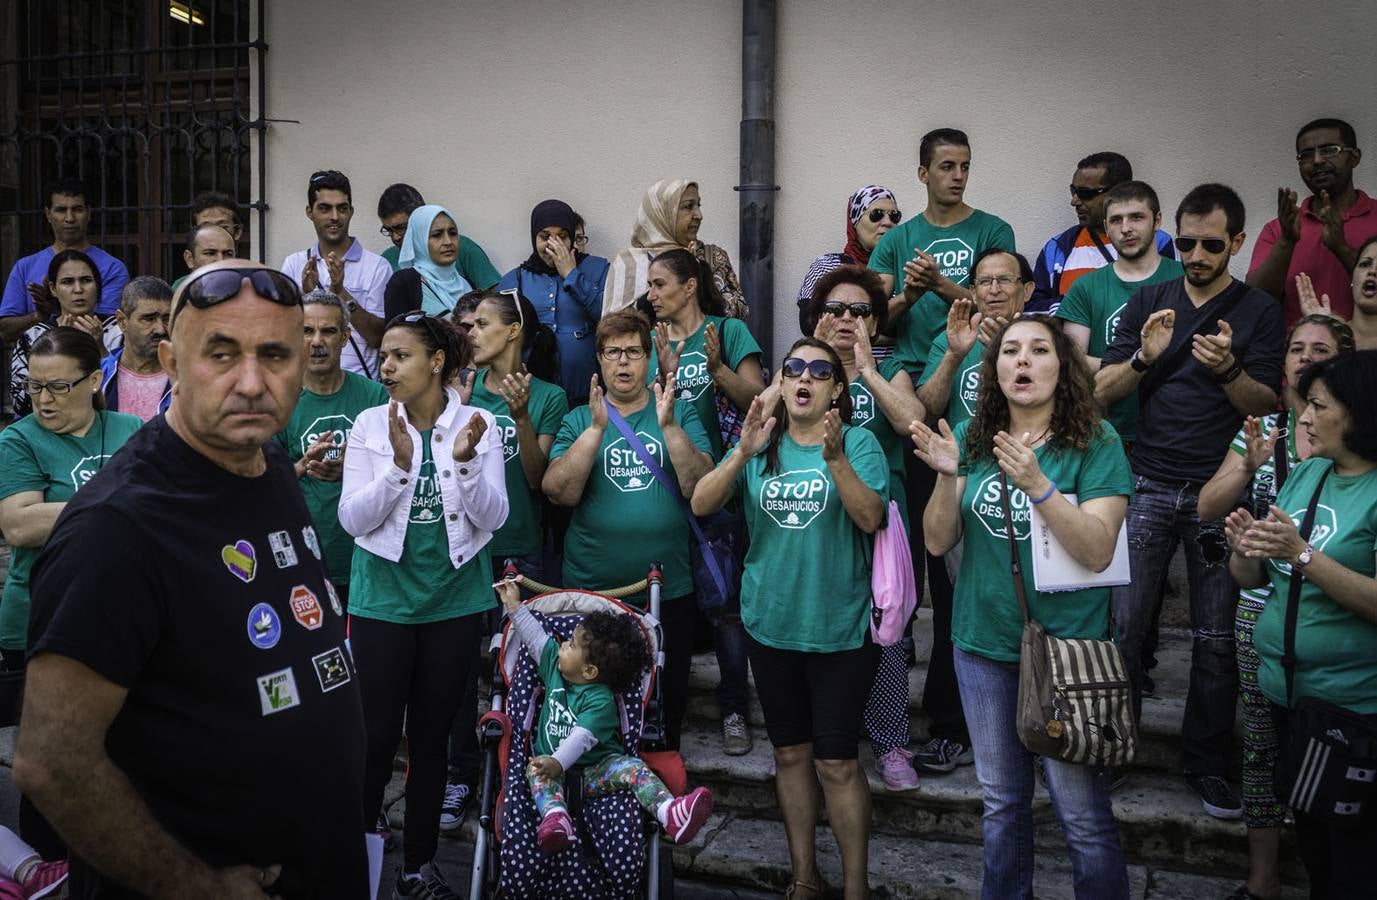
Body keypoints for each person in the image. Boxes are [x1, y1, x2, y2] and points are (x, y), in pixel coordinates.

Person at [14, 259, 370, 898]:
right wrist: (196, 886)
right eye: (222, 354)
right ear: (172, 363)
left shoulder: (271, 464)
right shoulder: (115, 527)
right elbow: (53, 764)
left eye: (275, 354)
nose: (253, 382)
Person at [912, 315, 1132, 899]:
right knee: (1003, 806)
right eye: (1010, 351)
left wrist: (1038, 484)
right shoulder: (974, 434)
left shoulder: (1096, 442)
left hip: (1068, 656)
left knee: (1081, 818)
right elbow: (937, 541)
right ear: (996, 369)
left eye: (1038, 350)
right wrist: (943, 476)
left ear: (1062, 367)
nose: (1023, 361)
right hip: (982, 647)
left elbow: (1096, 548)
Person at [1095, 183, 1286, 819]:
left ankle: (1206, 764)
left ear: (1236, 242)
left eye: (1212, 243)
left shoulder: (1258, 310)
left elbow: (1268, 405)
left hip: (1223, 492)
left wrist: (1230, 370)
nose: (1197, 254)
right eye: (1186, 241)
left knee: (1216, 638)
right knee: (1124, 631)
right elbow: (1099, 391)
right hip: (1146, 481)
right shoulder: (1149, 298)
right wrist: (1146, 359)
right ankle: (1114, 752)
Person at [691, 338, 886, 900]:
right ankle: (804, 877)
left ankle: (855, 888)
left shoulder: (859, 443)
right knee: (790, 754)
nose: (804, 377)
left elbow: (871, 517)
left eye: (819, 370)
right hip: (768, 625)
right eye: (793, 368)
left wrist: (836, 462)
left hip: (840, 629)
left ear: (836, 389)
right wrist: (741, 452)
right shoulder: (762, 445)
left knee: (838, 764)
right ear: (781, 384)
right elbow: (702, 504)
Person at [339, 311, 507, 899]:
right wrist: (401, 468)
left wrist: (461, 462)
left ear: (437, 362)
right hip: (382, 601)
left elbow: (493, 518)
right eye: (382, 355)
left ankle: (418, 867)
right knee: (375, 736)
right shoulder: (367, 424)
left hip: (453, 603)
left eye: (399, 355)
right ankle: (358, 858)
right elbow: (352, 520)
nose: (385, 366)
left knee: (432, 739)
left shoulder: (481, 423)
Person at [1197, 314, 1353, 900]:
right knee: (1263, 744)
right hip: (1261, 609)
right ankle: (1262, 879)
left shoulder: (1357, 449)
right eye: (1296, 348)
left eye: (1321, 349)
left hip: (1335, 625)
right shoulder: (1263, 430)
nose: (1305, 358)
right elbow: (1209, 510)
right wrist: (1249, 465)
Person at [1226, 350, 1377, 898]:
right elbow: (1251, 576)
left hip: (1352, 709)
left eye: (1317, 406)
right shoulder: (1309, 473)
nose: (1304, 418)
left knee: (1353, 860)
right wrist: (1243, 548)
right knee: (1315, 846)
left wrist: (1303, 554)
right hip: (1289, 697)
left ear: (1360, 414)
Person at [543, 311, 713, 751]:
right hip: (594, 590)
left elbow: (700, 486)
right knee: (590, 705)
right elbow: (559, 491)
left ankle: (657, 796)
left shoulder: (677, 410)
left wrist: (670, 426)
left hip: (668, 588)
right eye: (613, 352)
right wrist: (597, 429)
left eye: (633, 352)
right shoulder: (580, 419)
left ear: (648, 361)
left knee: (666, 704)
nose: (623, 363)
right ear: (599, 359)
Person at [440, 287, 566, 832]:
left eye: (482, 323)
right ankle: (461, 775)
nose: (470, 332)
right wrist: (457, 408)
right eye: (467, 325)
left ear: (514, 331)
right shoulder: (457, 393)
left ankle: (518, 776)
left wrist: (516, 418)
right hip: (466, 552)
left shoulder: (549, 397)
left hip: (522, 552)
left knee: (521, 676)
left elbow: (540, 482)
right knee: (459, 672)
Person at [806, 266, 925, 790]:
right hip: (812, 523)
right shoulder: (800, 369)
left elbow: (912, 421)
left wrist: (864, 371)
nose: (845, 319)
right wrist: (816, 358)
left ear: (875, 324)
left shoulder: (890, 367)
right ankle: (816, 740)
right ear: (817, 319)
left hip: (877, 525)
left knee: (887, 631)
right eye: (834, 309)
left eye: (858, 312)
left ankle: (891, 743)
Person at [646, 247, 765, 755]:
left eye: (659, 284)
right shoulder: (650, 342)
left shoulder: (728, 331)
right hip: (664, 490)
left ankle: (735, 709)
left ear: (689, 285)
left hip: (719, 490)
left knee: (725, 606)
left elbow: (757, 404)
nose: (650, 295)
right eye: (650, 286)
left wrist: (715, 368)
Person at [495, 580, 715, 853]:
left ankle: (670, 812)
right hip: (551, 770)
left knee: (633, 768)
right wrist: (514, 607)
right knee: (534, 771)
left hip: (596, 770)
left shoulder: (601, 701)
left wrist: (556, 761)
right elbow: (535, 637)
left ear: (589, 671)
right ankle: (555, 817)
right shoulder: (553, 666)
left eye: (571, 645)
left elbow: (581, 738)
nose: (562, 644)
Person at [0, 328, 142, 665]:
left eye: (59, 387)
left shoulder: (131, 428)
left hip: (119, 614)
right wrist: (121, 503)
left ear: (94, 381)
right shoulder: (19, 440)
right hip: (41, 619)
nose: (44, 399)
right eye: (34, 386)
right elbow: (20, 526)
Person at [867, 128, 1016, 380]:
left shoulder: (994, 230)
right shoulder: (895, 239)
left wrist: (938, 283)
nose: (958, 176)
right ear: (923, 174)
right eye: (947, 167)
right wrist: (909, 297)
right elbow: (870, 322)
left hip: (974, 368)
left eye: (965, 167)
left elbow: (999, 310)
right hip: (911, 371)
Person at [274, 288, 387, 612]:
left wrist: (353, 467)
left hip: (367, 559)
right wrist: (301, 466)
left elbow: (399, 471)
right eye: (307, 331)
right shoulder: (277, 400)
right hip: (301, 558)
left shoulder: (376, 398)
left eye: (328, 331)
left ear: (345, 336)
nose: (317, 341)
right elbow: (261, 480)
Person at [1058, 181, 1185, 445]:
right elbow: (1073, 359)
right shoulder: (1086, 286)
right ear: (1106, 227)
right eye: (1116, 220)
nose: (1125, 228)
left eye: (1136, 217)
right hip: (1107, 434)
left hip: (1176, 433)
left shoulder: (1184, 278)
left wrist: (1118, 367)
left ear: (1157, 220)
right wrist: (1139, 361)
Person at [1247, 118, 1377, 328]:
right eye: (1306, 155)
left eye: (1329, 150)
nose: (1317, 160)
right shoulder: (1278, 229)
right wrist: (1287, 241)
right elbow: (1255, 300)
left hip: (1366, 357)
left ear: (1355, 157)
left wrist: (1340, 247)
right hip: (1300, 357)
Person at [1030, 152, 1175, 313]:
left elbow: (1174, 299)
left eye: (1085, 193)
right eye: (1074, 191)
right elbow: (1031, 308)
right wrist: (1075, 304)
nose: (1074, 201)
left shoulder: (1158, 241)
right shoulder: (1057, 248)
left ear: (1118, 192)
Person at [281, 170, 391, 379]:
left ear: (351, 211)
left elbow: (378, 337)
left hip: (360, 390)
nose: (334, 217)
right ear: (309, 212)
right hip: (306, 389)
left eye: (342, 208)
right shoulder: (294, 264)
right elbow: (283, 335)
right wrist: (308, 297)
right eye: (324, 208)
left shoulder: (377, 266)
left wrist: (341, 293)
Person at [499, 199, 610, 403]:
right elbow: (501, 333)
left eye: (562, 236)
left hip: (590, 391)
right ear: (534, 238)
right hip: (534, 394)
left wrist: (571, 274)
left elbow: (611, 318)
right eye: (545, 236)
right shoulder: (516, 278)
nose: (553, 244)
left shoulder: (598, 268)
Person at [0, 178, 129, 345]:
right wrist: (38, 316)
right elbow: (5, 332)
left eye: (77, 209)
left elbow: (112, 327)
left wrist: (56, 308)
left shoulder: (113, 268)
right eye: (61, 210)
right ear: (48, 214)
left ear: (89, 213)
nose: (69, 218)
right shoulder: (24, 267)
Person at [918, 249, 1034, 432]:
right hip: (963, 457)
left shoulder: (1047, 341)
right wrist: (953, 356)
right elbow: (926, 414)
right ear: (973, 292)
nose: (994, 290)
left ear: (1027, 291)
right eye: (985, 282)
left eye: (1005, 280)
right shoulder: (950, 339)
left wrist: (1005, 350)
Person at [603, 179, 748, 320]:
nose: (699, 215)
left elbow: (739, 314)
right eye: (688, 206)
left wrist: (698, 272)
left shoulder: (712, 256)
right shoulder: (628, 262)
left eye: (698, 205)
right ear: (661, 212)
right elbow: (613, 328)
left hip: (707, 344)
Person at [9, 251, 123, 421]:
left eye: (86, 280)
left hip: (107, 427)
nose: (78, 289)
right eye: (67, 282)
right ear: (53, 289)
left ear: (97, 286)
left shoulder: (120, 331)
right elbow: (21, 403)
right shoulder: (33, 337)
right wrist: (59, 345)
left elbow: (127, 393)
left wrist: (99, 349)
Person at [796, 185, 902, 332]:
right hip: (836, 355)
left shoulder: (907, 269)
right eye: (877, 214)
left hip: (895, 356)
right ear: (855, 221)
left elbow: (915, 330)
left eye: (894, 216)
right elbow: (809, 325)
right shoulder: (826, 266)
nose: (887, 222)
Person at [375, 182, 501, 288]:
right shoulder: (387, 260)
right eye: (389, 230)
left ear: (421, 219)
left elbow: (498, 299)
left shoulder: (461, 249)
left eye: (401, 228)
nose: (395, 237)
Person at [382, 205, 476, 322]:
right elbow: (394, 336)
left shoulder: (465, 284)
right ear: (419, 240)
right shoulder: (405, 283)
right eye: (436, 235)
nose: (448, 241)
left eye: (452, 233)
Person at [99, 276, 173, 422]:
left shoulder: (189, 378)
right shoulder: (98, 377)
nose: (160, 329)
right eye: (149, 319)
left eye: (166, 319)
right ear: (122, 321)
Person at [1297, 234, 1377, 350]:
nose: (1372, 271)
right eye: (1365, 264)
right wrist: (1320, 330)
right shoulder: (1332, 335)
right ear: (1352, 278)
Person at [171, 223, 237, 292]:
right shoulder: (176, 294)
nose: (221, 260)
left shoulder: (246, 291)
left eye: (228, 254)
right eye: (210, 253)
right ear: (189, 259)